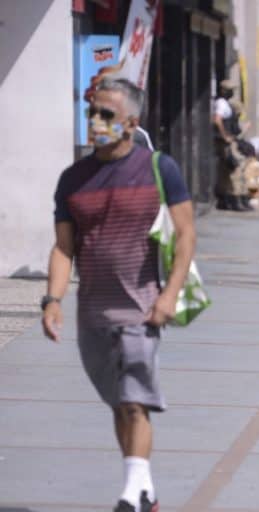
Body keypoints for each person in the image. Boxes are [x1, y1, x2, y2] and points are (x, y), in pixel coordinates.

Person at [42, 78, 195, 511]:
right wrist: (52, 301)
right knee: (119, 403)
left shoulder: (159, 168)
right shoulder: (73, 179)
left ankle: (130, 495)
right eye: (91, 111)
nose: (95, 121)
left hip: (141, 307)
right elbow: (62, 247)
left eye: (106, 114)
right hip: (92, 314)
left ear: (131, 122)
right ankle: (145, 491)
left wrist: (169, 295)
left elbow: (186, 236)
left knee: (134, 399)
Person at [213, 79, 252, 211]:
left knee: (224, 171)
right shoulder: (222, 104)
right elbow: (217, 120)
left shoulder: (223, 103)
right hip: (225, 142)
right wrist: (225, 136)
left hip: (225, 141)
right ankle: (236, 199)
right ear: (224, 90)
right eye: (230, 90)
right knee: (235, 168)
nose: (232, 93)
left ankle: (224, 199)